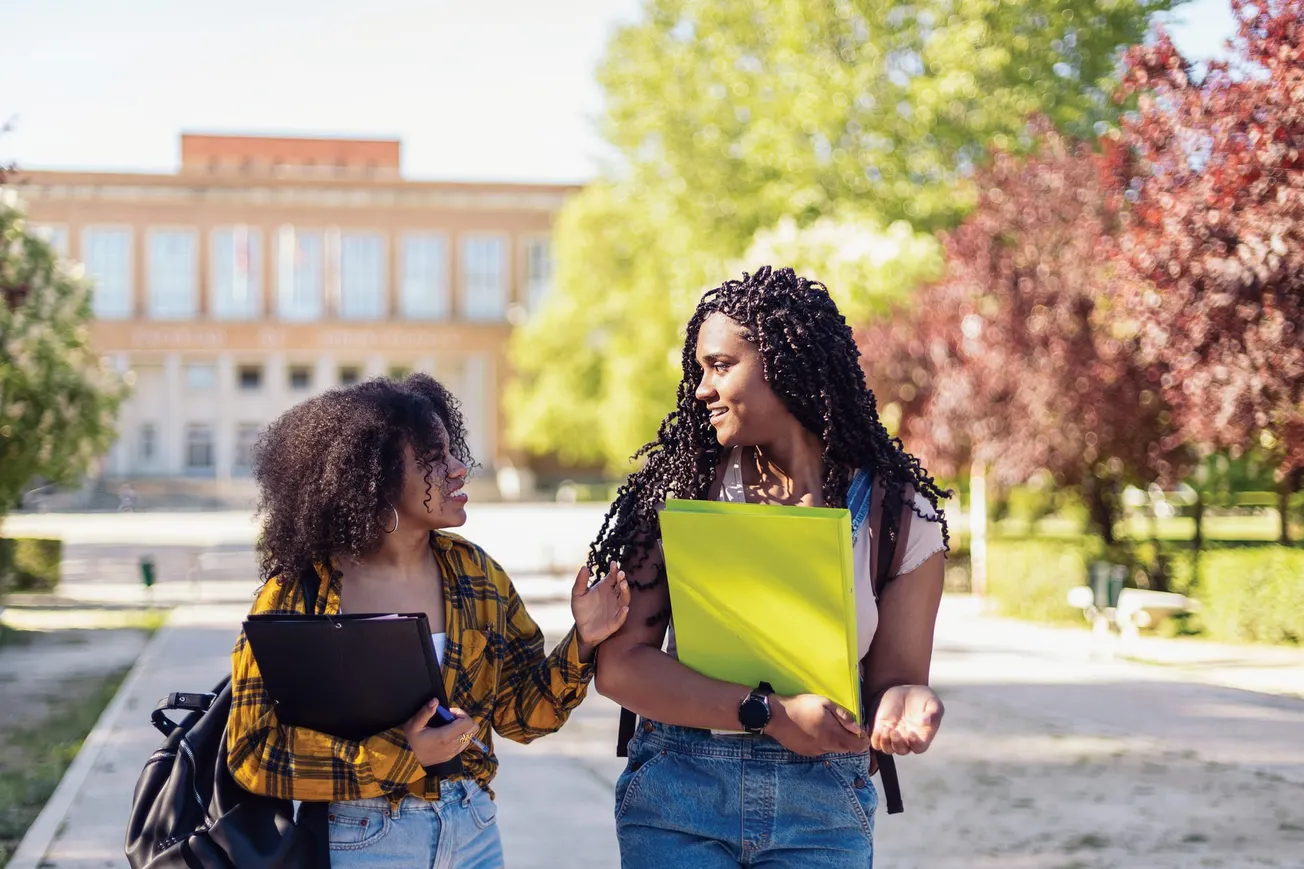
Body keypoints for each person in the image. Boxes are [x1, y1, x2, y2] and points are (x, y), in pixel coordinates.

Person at [592, 267, 950, 868]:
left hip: (823, 815)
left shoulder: (900, 518)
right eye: (699, 368)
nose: (701, 388)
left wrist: (904, 704)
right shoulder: (677, 494)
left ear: (788, 364)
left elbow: (894, 680)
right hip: (678, 803)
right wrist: (772, 714)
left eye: (721, 366)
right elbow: (620, 669)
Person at [226, 374, 629, 867]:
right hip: (360, 839)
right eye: (434, 460)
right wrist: (401, 754)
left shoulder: (476, 574)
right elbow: (252, 752)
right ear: (373, 480)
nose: (459, 470)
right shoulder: (297, 595)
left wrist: (583, 641)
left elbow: (522, 718)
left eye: (453, 452)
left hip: (473, 829)